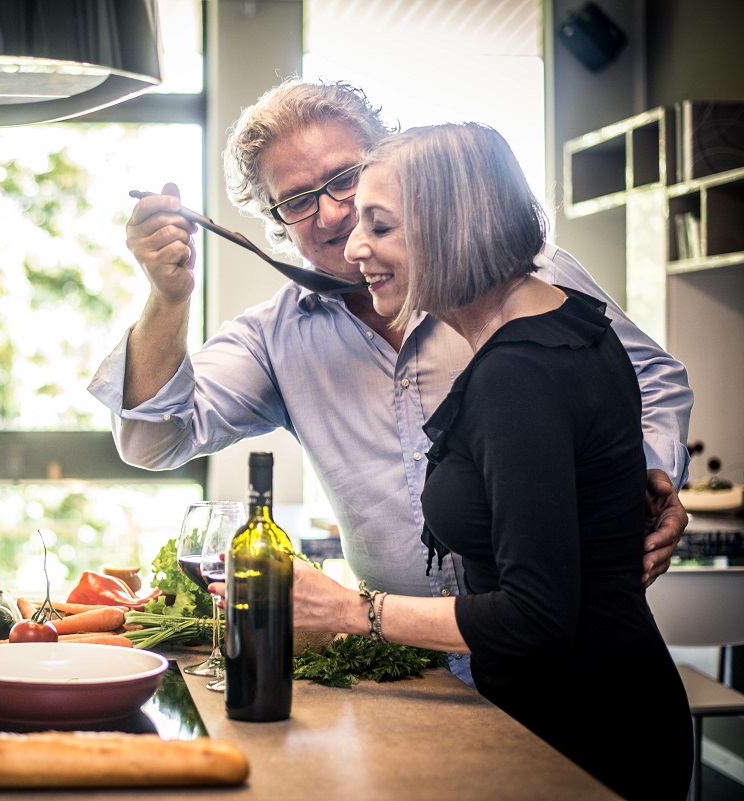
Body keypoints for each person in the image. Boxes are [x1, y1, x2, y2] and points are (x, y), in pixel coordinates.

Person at [87, 78, 692, 684]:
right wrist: (169, 299)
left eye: (345, 178)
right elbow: (152, 440)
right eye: (296, 200)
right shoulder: (273, 338)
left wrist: (627, 487)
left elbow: (651, 379)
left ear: (386, 161)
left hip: (564, 663)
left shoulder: (518, 279)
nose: (330, 214)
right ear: (275, 220)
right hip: (407, 664)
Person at [284, 121, 692, 801]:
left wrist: (351, 609)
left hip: (580, 737)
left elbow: (536, 615)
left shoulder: (516, 374)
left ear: (449, 228)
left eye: (379, 227)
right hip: (607, 708)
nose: (355, 248)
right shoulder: (575, 321)